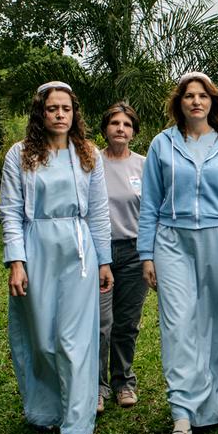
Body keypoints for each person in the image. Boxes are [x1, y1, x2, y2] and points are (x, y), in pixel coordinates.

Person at [1, 82, 113, 434]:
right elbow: (11, 212)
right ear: (41, 113)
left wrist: (104, 260)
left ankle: (76, 425)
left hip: (78, 249)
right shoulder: (20, 155)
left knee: (74, 341)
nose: (60, 114)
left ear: (74, 113)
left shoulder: (88, 154)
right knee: (42, 339)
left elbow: (98, 212)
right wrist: (16, 261)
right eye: (53, 109)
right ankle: (47, 409)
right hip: (36, 246)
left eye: (66, 108)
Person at [139, 72, 218, 434]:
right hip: (171, 240)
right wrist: (146, 253)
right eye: (189, 96)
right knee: (178, 323)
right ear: (179, 103)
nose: (196, 101)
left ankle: (217, 401)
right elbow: (149, 202)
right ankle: (182, 410)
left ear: (213, 102)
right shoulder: (162, 144)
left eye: (203, 96)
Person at [97, 102, 149, 413]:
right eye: (115, 123)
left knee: (127, 323)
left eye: (127, 124)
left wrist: (149, 255)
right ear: (105, 128)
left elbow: (152, 210)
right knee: (101, 322)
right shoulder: (90, 162)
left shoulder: (144, 165)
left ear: (133, 131)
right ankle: (98, 386)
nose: (120, 128)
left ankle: (123, 381)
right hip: (99, 252)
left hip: (134, 252)